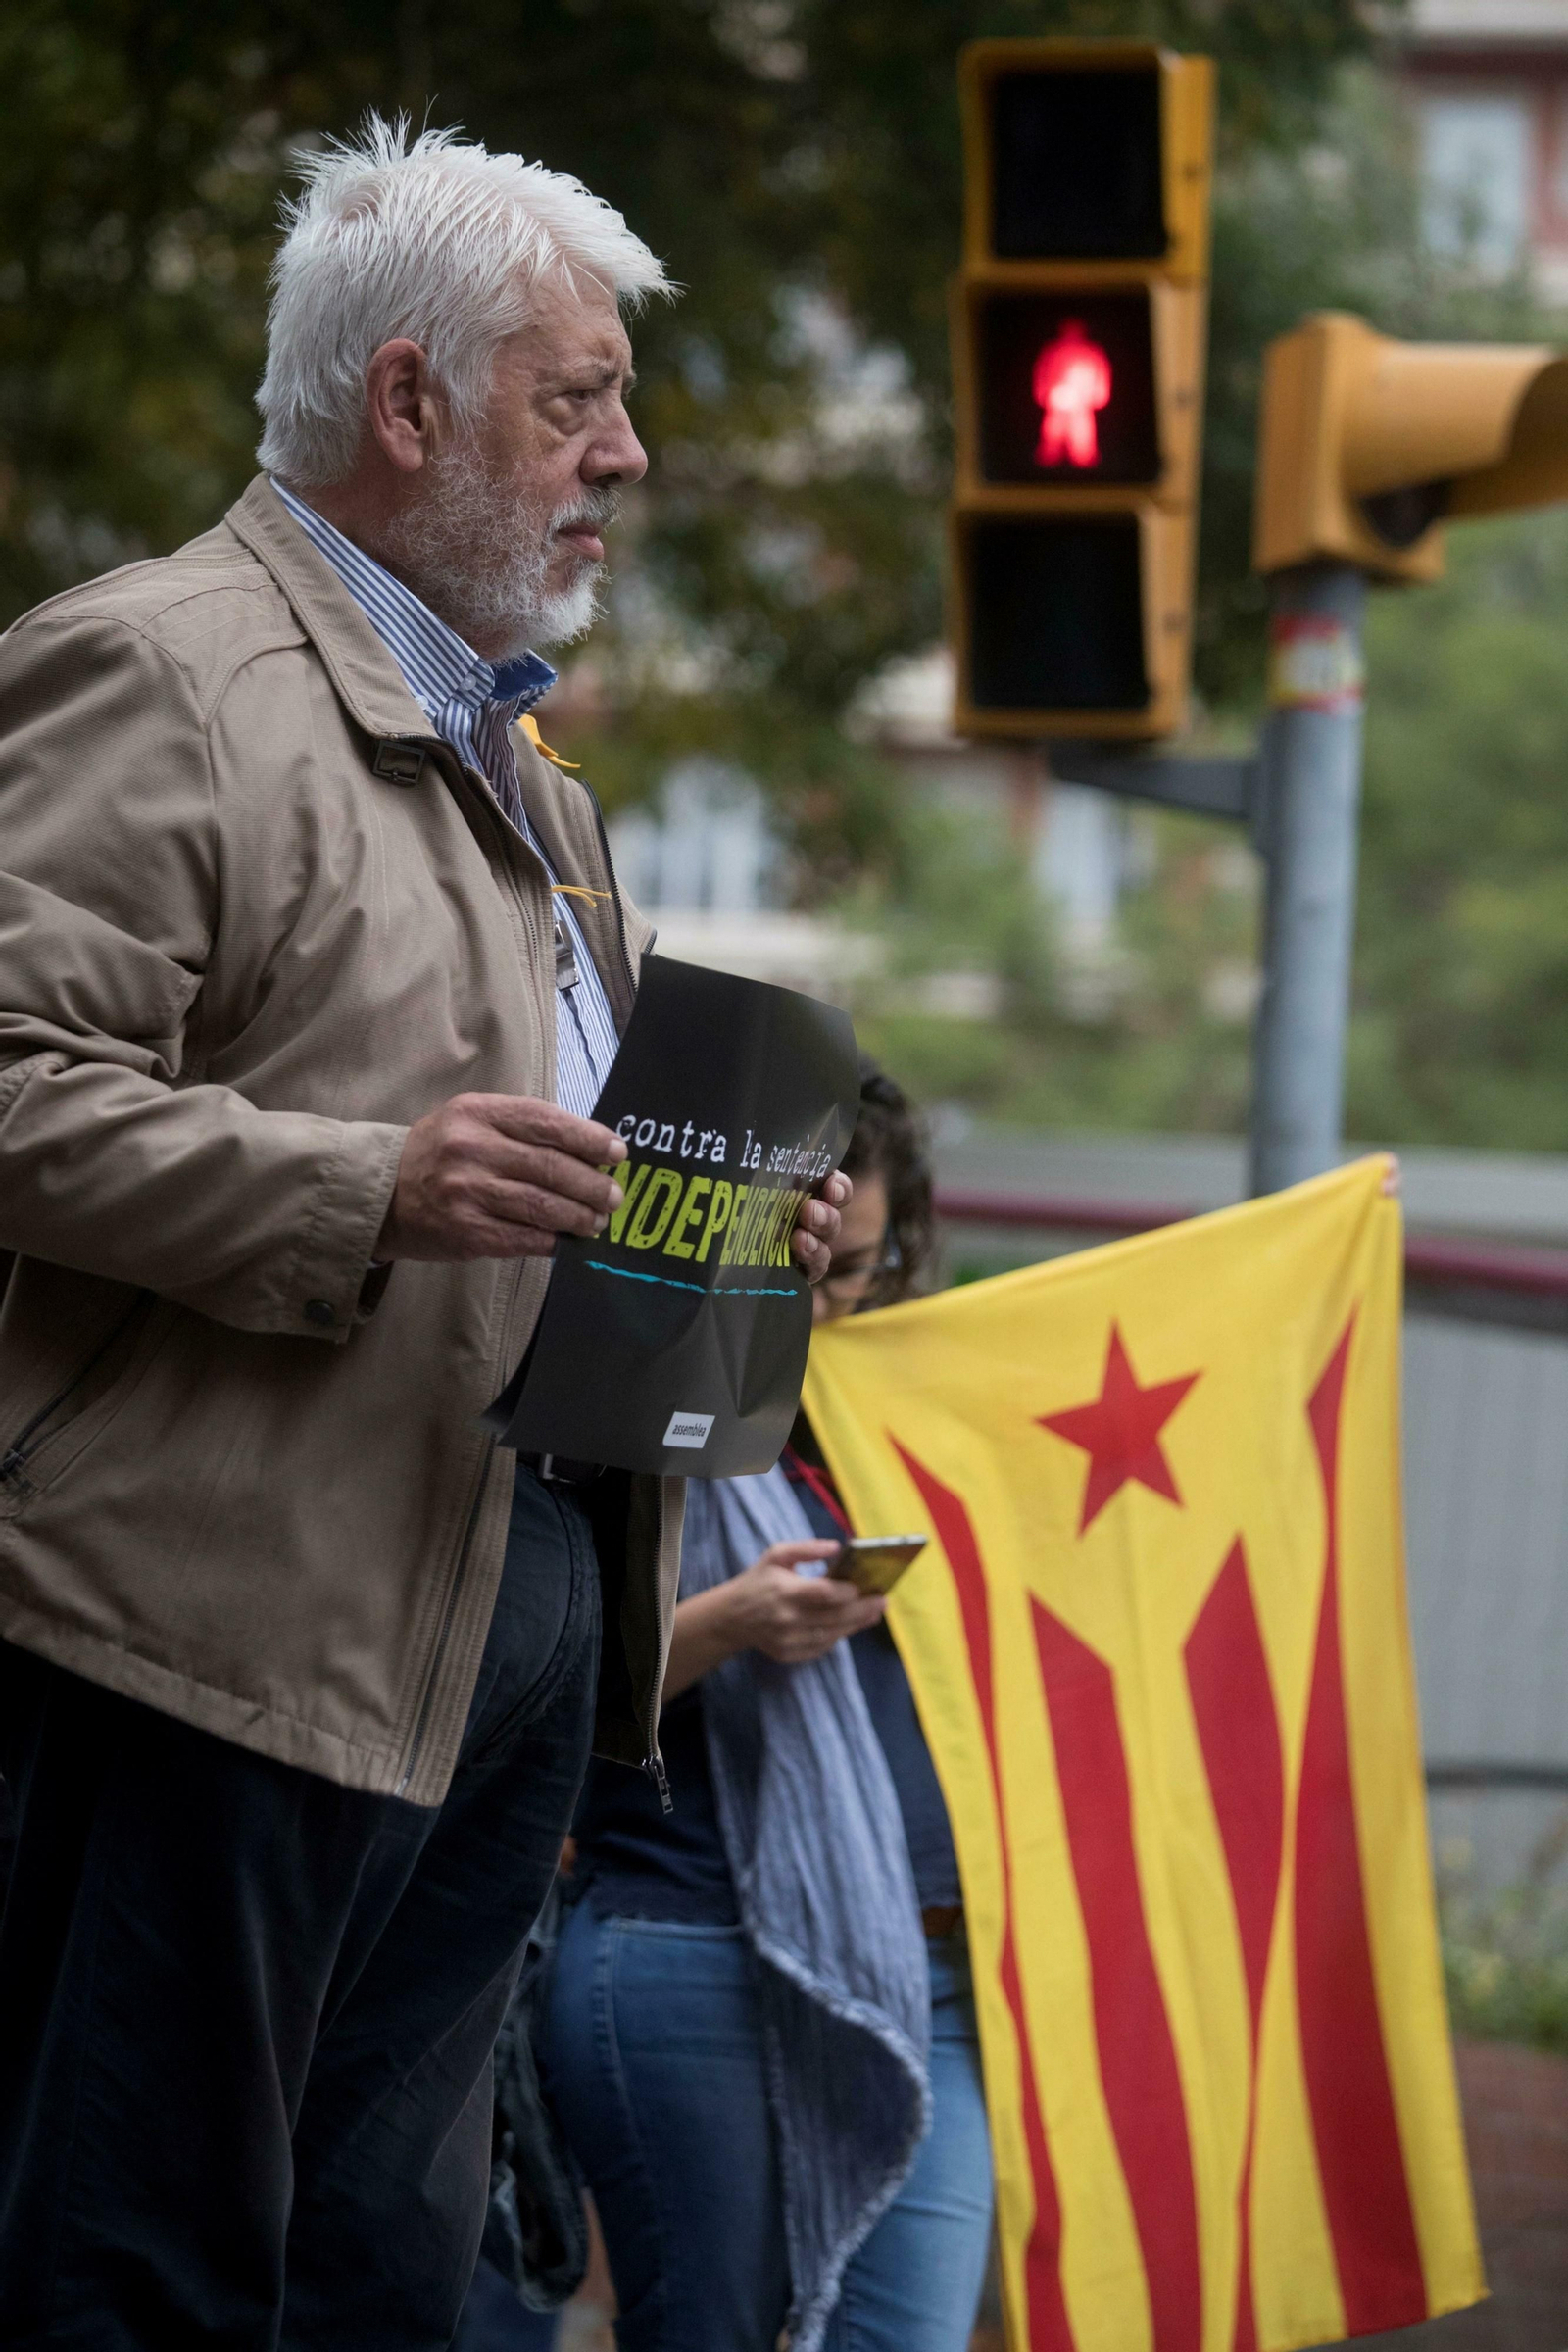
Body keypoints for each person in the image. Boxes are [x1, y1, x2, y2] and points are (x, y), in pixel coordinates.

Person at [0, 119, 844, 2352]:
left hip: (497, 1638)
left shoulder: (535, 779)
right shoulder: (157, 671)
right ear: (407, 404)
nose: (627, 455)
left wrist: (756, 1244)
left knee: (387, 2291)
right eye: (576, 398)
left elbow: (548, 1181)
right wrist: (362, 1190)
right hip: (211, 1635)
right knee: (145, 2271)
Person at [532, 1064, 994, 2352]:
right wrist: (733, 1620)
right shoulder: (628, 1401)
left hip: (926, 1970)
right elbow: (540, 1692)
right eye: (808, 1263)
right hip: (691, 1941)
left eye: (864, 1264)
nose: (834, 1296)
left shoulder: (928, 1410)